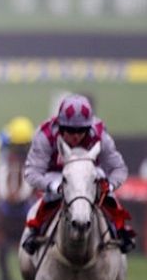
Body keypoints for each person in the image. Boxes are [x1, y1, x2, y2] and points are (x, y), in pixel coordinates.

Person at [21, 94, 136, 254]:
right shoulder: (46, 135)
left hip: (89, 174)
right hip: (56, 175)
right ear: (60, 126)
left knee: (106, 190)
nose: (76, 136)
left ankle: (121, 230)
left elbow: (119, 169)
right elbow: (32, 172)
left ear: (88, 127)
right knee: (51, 196)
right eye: (70, 130)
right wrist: (53, 186)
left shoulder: (99, 134)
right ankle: (35, 230)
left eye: (81, 130)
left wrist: (109, 186)